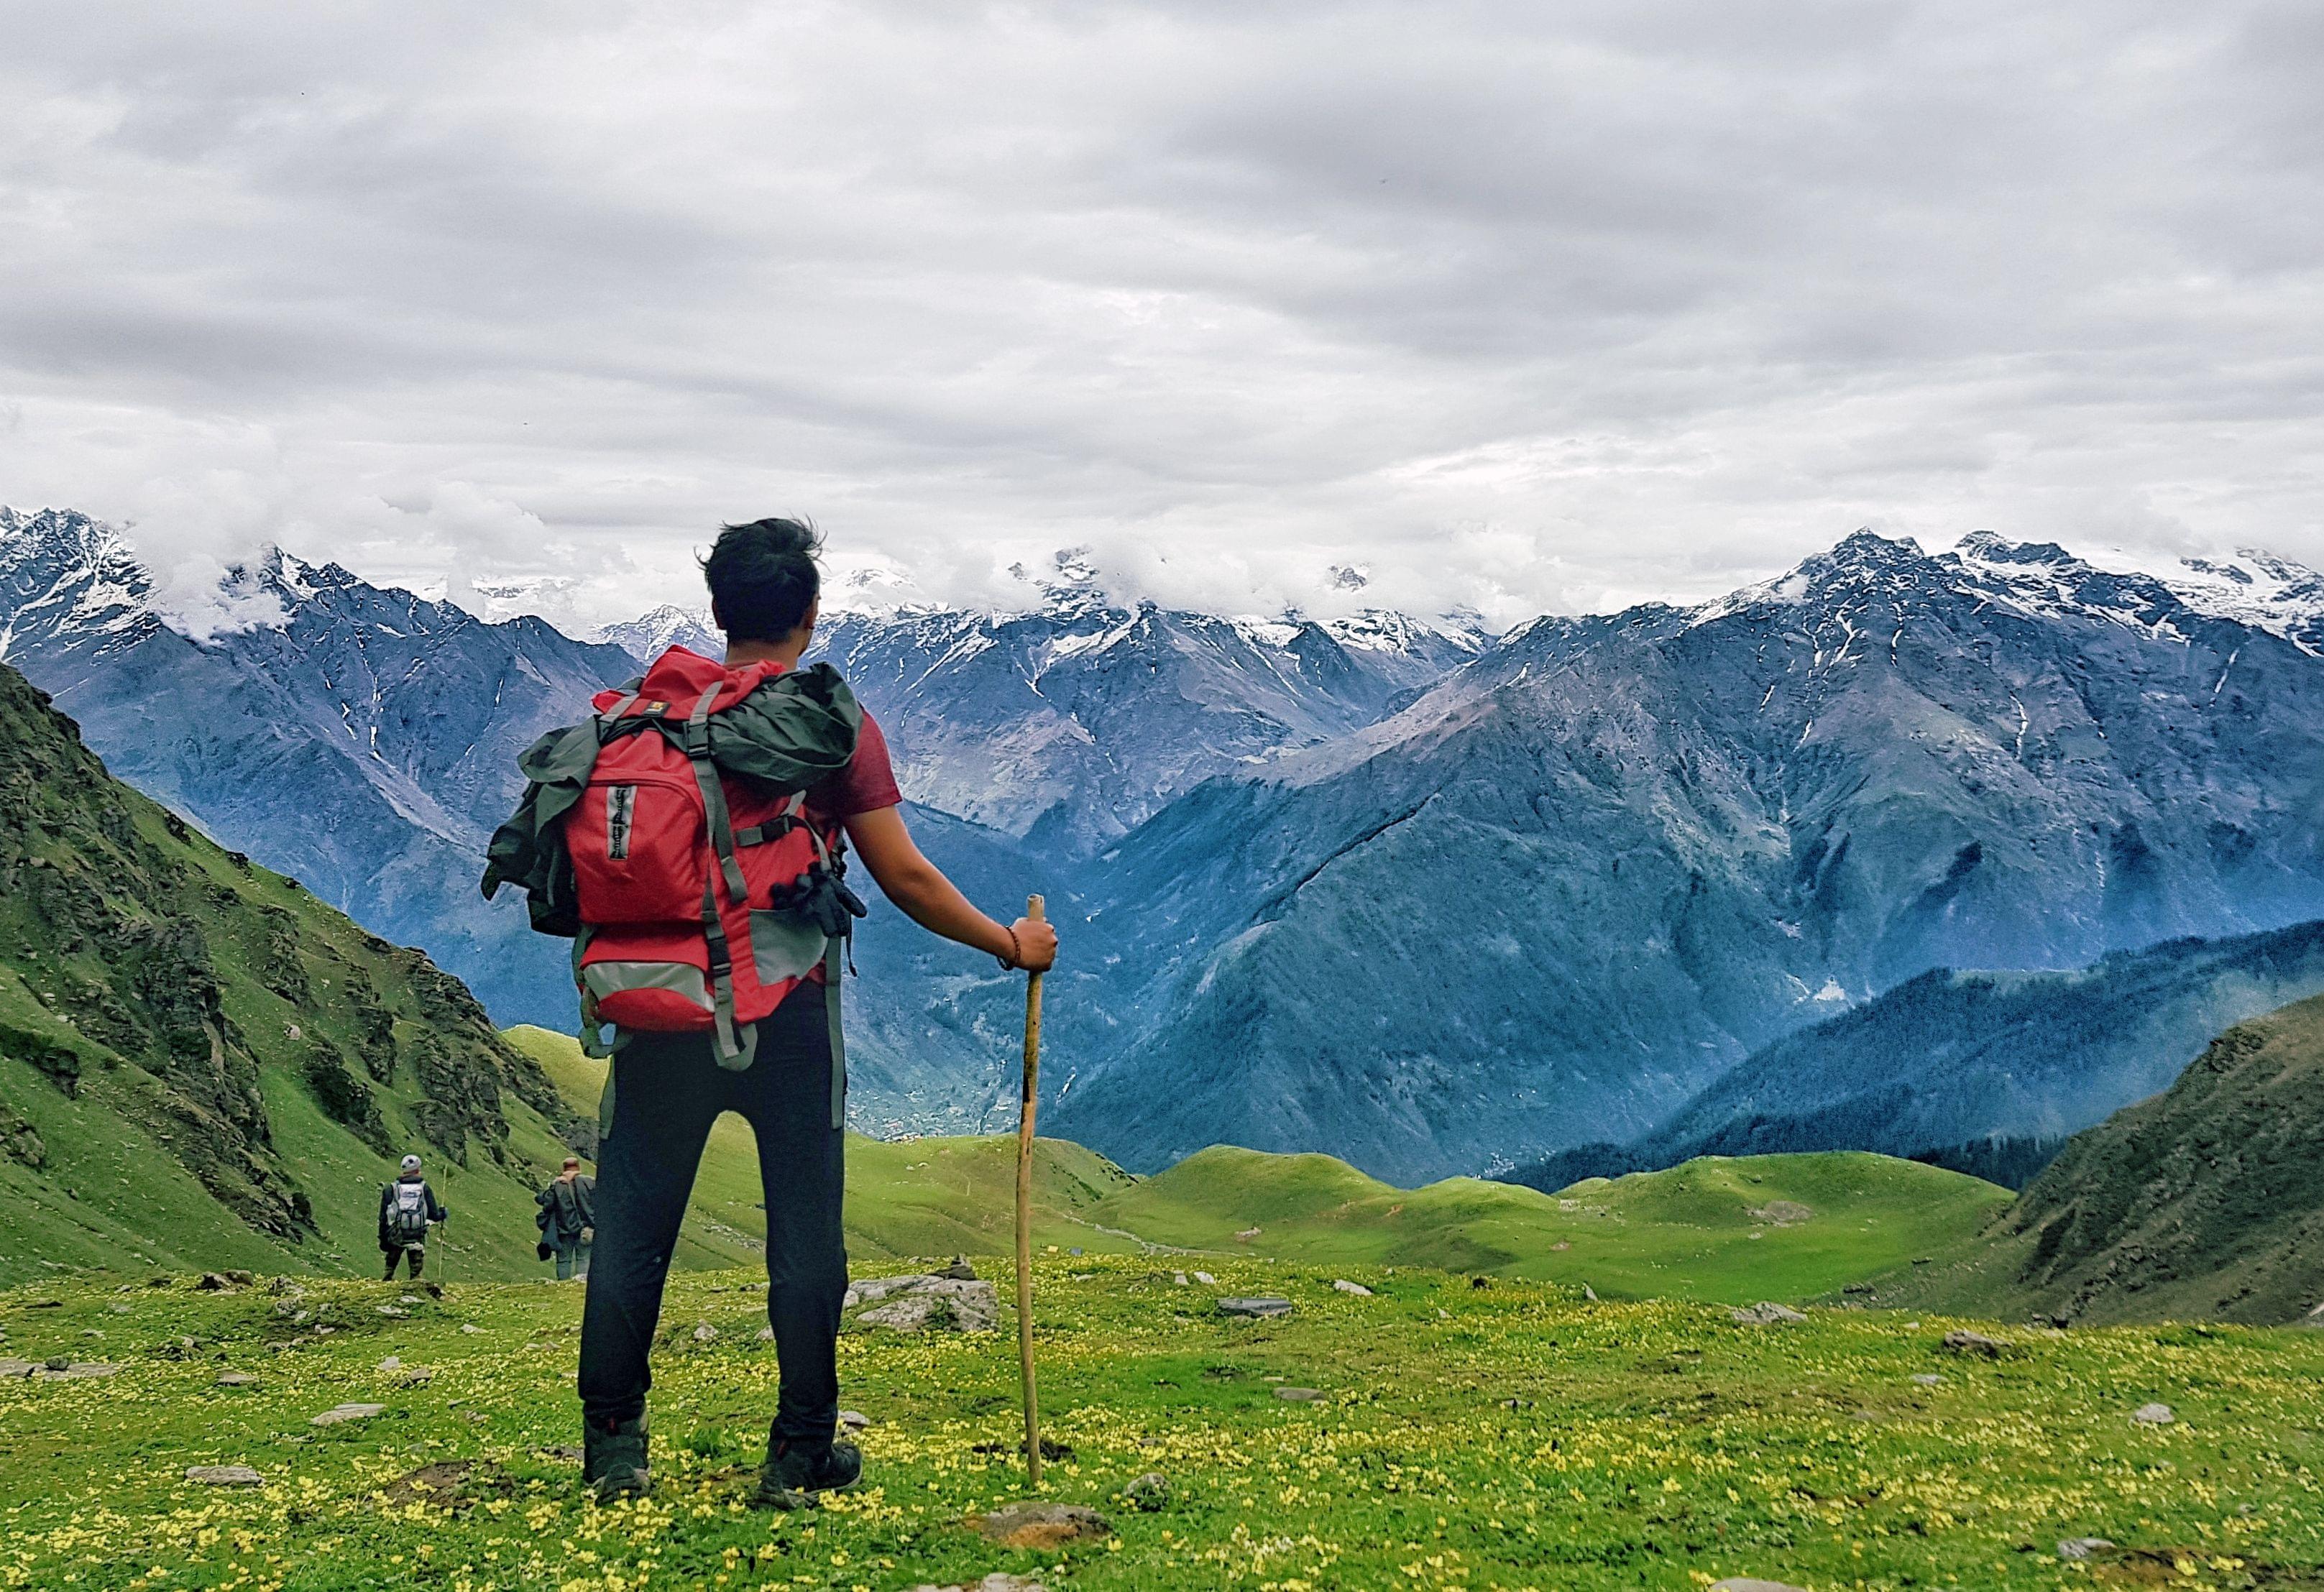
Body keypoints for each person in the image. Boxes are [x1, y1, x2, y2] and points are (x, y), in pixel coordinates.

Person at [563, 519, 1057, 1506]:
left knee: (628, 1228)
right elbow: (904, 874)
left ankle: (615, 1448)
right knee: (804, 1236)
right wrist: (1011, 945)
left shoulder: (644, 721)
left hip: (659, 1006)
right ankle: (798, 1452)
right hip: (787, 1006)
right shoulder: (828, 723)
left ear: (717, 612)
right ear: (809, 613)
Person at [378, 1154, 446, 1281]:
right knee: (416, 1273)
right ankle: (415, 1292)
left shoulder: (391, 1189)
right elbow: (434, 1215)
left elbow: (383, 1218)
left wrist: (383, 1239)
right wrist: (443, 1213)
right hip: (416, 1236)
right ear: (417, 1171)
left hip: (396, 1235)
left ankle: (385, 1288)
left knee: (389, 1269)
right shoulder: (424, 1188)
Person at [536, 1156, 596, 1281]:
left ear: (564, 1168)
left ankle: (563, 1284)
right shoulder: (588, 1182)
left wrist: (553, 1186)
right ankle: (582, 1284)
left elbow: (547, 1204)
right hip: (584, 1229)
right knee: (584, 1258)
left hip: (563, 1230)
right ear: (578, 1167)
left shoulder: (558, 1185)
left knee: (563, 1261)